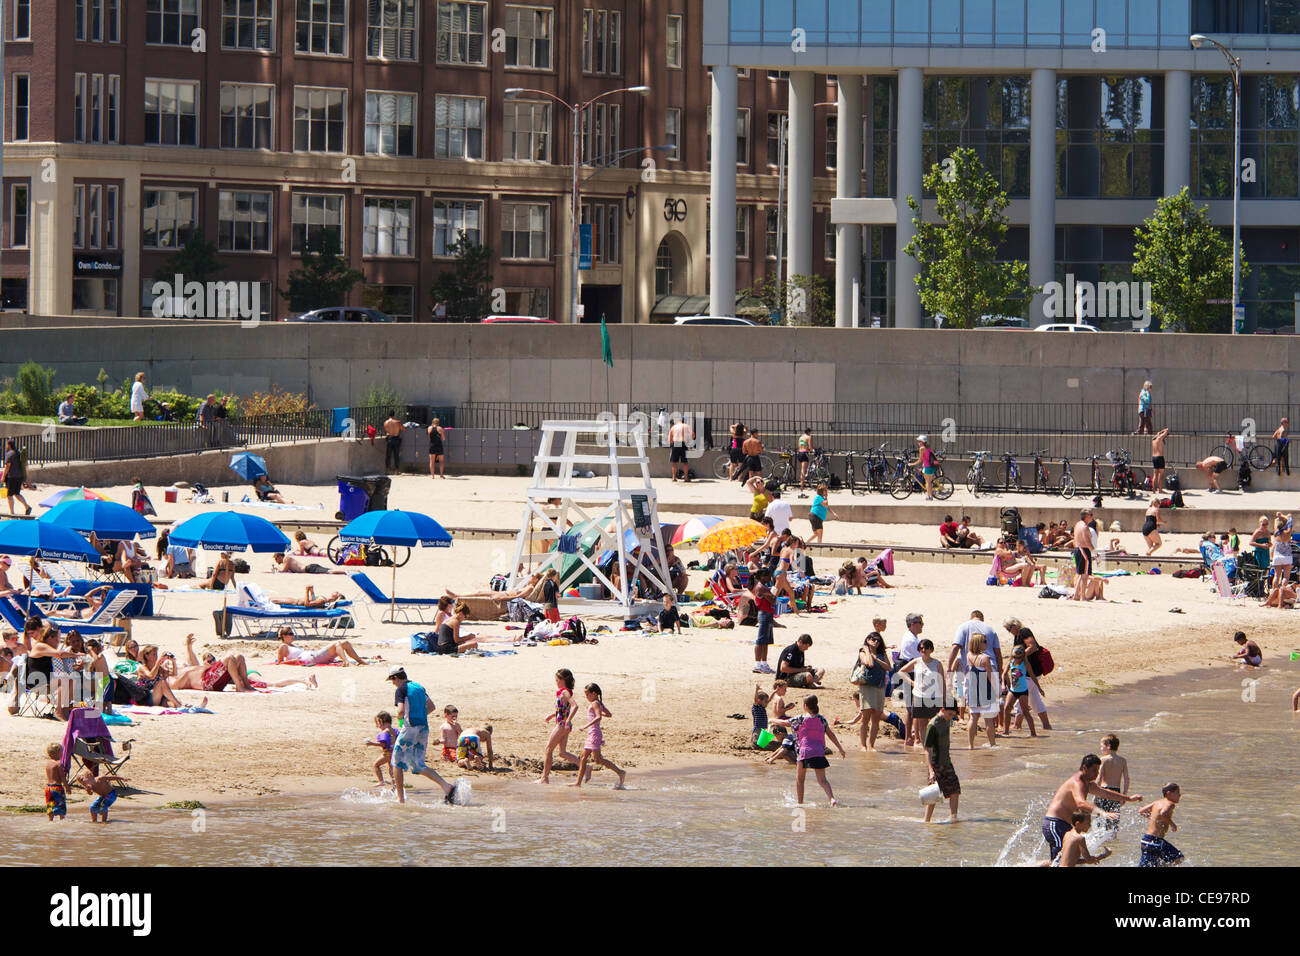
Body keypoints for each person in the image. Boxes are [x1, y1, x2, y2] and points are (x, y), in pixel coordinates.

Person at [1042, 755, 1142, 863]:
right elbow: (1080, 803)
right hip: (1054, 824)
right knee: (1061, 860)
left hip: (1064, 825)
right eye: (1094, 770)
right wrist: (1102, 813)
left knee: (1068, 859)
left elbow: (1105, 793)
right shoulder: (1077, 782)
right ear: (1084, 768)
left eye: (1098, 770)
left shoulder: (1088, 784)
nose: (1097, 773)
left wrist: (1128, 798)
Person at [386, 668, 454, 805]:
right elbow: (431, 706)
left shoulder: (401, 689)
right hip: (423, 728)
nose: (393, 683)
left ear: (396, 678)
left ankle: (400, 800)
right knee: (418, 764)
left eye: (392, 680)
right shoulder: (419, 687)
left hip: (410, 728)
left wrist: (401, 718)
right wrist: (419, 715)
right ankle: (447, 787)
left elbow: (400, 712)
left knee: (396, 762)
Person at [770, 694, 844, 807]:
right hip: (819, 752)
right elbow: (831, 735)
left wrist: (772, 720)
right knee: (823, 780)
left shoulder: (800, 719)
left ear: (805, 706)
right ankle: (832, 799)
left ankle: (800, 803)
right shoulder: (822, 719)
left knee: (800, 780)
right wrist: (840, 748)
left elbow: (785, 723)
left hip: (804, 752)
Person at [572, 682, 626, 789]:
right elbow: (608, 714)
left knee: (598, 759)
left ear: (594, 693)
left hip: (594, 734)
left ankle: (620, 772)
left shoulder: (595, 703)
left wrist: (585, 725)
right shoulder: (599, 703)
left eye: (587, 694)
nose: (586, 697)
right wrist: (598, 713)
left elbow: (598, 717)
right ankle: (578, 783)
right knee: (584, 757)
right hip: (593, 734)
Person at [896, 639, 945, 750]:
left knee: (934, 723)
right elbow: (901, 671)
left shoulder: (937, 663)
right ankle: (925, 747)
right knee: (922, 723)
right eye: (921, 648)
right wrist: (912, 682)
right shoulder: (916, 661)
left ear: (931, 649)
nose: (923, 650)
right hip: (919, 696)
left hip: (934, 697)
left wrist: (944, 698)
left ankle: (934, 744)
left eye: (926, 648)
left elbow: (942, 682)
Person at [538, 669, 579, 783]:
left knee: (548, 750)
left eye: (557, 680)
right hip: (563, 725)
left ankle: (544, 778)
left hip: (562, 725)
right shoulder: (564, 692)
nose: (556, 682)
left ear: (563, 680)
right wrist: (552, 715)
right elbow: (564, 709)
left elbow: (575, 706)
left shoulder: (565, 692)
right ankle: (586, 768)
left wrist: (568, 720)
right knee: (562, 753)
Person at [854, 629, 891, 751]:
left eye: (878, 640)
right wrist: (868, 650)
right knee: (865, 717)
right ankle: (863, 745)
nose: (876, 642)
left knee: (876, 717)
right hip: (867, 686)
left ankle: (871, 745)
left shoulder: (882, 654)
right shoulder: (863, 652)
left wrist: (876, 657)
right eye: (873, 639)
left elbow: (888, 667)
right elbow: (868, 663)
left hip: (879, 687)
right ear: (868, 640)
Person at [923, 704, 960, 823]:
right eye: (950, 714)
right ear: (942, 710)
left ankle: (953, 819)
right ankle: (926, 821)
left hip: (947, 762)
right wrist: (931, 771)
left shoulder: (946, 720)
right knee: (933, 795)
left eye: (953, 715)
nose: (951, 717)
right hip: (936, 764)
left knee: (955, 790)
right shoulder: (932, 725)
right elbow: (927, 749)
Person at [964, 633, 1000, 749]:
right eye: (984, 641)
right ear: (979, 643)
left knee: (973, 717)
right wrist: (995, 690)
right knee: (988, 719)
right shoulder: (985, 658)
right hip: (984, 689)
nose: (986, 643)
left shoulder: (968, 655)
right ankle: (992, 743)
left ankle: (970, 745)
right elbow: (989, 676)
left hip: (973, 689)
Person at [1138, 784, 1185, 867]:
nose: (1180, 795)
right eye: (1177, 792)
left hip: (1146, 840)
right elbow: (1163, 813)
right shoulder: (1170, 804)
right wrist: (1172, 824)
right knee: (1178, 857)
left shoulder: (1157, 802)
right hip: (1156, 841)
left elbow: (1141, 811)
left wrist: (1153, 818)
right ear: (1168, 793)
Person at [999, 647, 1039, 737]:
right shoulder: (1011, 662)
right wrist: (1003, 684)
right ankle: (1006, 731)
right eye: (1014, 657)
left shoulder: (1025, 664)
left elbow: (1032, 676)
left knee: (1025, 711)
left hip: (1023, 691)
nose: (1016, 659)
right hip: (1013, 690)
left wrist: (1039, 688)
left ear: (1022, 657)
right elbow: (1004, 673)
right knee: (1006, 708)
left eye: (1018, 657)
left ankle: (1033, 733)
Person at [276, 627, 366, 666]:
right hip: (312, 658)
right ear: (284, 636)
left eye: (293, 634)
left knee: (345, 643)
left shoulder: (292, 645)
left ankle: (359, 661)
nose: (293, 636)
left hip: (314, 655)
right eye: (291, 634)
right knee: (337, 644)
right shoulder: (283, 646)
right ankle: (346, 662)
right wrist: (295, 661)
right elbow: (280, 663)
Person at [1094, 734, 1129, 831]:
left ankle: (1101, 842)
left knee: (1100, 820)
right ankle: (1113, 843)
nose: (1101, 749)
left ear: (1108, 746)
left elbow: (1099, 778)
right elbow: (1126, 779)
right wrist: (1124, 795)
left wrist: (1095, 794)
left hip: (1104, 791)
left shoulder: (1103, 760)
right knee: (1114, 821)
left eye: (1102, 746)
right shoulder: (1122, 761)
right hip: (1116, 793)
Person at [748, 568, 777, 674]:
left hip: (767, 613)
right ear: (763, 577)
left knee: (766, 641)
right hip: (764, 614)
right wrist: (773, 595)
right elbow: (772, 600)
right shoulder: (761, 587)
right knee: (760, 640)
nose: (770, 578)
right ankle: (757, 664)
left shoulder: (763, 587)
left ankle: (764, 663)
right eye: (768, 576)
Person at [366, 711, 396, 786]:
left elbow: (383, 744)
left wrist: (371, 743)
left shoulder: (385, 732)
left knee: (376, 765)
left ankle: (381, 781)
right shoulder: (393, 730)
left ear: (381, 722)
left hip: (388, 753)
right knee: (391, 769)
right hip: (394, 752)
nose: (378, 726)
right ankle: (394, 785)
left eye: (378, 724)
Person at [2, 438, 30, 516]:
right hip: (19, 476)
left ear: (8, 445)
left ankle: (12, 512)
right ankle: (27, 507)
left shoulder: (9, 453)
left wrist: (3, 477)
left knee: (9, 495)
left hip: (12, 477)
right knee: (17, 494)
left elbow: (7, 466)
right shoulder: (18, 452)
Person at [1071, 509, 1094, 601]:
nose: (1092, 517)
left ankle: (1076, 595)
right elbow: (1087, 542)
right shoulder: (1084, 527)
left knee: (1080, 574)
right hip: (1083, 550)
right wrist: (1095, 553)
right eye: (1091, 515)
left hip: (1078, 549)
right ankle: (1082, 596)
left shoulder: (1078, 524)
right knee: (1085, 575)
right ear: (1086, 516)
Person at [44, 743, 68, 821]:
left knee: (50, 805)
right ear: (57, 753)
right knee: (61, 806)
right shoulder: (58, 764)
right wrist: (67, 786)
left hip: (48, 788)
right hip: (57, 788)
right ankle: (62, 820)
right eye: (61, 752)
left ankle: (50, 819)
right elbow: (62, 777)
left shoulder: (48, 764)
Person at [272, 551, 344, 575]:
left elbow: (283, 570)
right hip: (309, 568)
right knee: (329, 570)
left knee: (329, 572)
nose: (276, 561)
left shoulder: (286, 559)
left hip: (309, 569)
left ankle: (345, 572)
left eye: (276, 559)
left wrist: (276, 569)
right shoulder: (287, 559)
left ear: (279, 556)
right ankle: (344, 571)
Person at [668, 416, 694, 482]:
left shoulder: (673, 427)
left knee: (675, 462)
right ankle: (686, 478)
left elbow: (670, 439)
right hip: (683, 443)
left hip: (675, 443)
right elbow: (693, 435)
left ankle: (674, 478)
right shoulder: (686, 426)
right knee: (685, 462)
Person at [917, 434, 936, 500]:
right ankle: (930, 495)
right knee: (930, 481)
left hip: (927, 467)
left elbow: (920, 459)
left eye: (919, 441)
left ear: (922, 442)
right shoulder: (929, 448)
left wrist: (912, 464)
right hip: (932, 467)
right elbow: (933, 456)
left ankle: (928, 496)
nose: (918, 443)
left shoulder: (922, 448)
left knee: (927, 482)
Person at [1151, 427, 1170, 492]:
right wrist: (1161, 431)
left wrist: (1158, 433)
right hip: (1160, 457)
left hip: (1154, 457)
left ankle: (1153, 489)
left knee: (1155, 474)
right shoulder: (1160, 438)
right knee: (1160, 475)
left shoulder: (1153, 440)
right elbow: (1167, 430)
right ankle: (1160, 490)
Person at [796, 427, 813, 494]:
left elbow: (799, 446)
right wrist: (812, 450)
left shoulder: (801, 437)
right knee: (803, 471)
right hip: (804, 453)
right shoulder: (808, 437)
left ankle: (802, 484)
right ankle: (802, 487)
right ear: (809, 432)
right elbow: (810, 447)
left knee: (803, 470)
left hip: (799, 453)